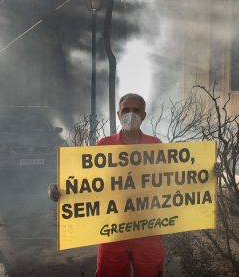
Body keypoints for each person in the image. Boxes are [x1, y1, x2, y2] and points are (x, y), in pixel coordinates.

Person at [49, 93, 164, 277]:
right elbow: (86, 182)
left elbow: (175, 180)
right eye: (126, 110)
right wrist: (61, 188)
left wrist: (207, 173)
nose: (130, 114)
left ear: (143, 115)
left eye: (136, 110)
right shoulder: (104, 145)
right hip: (112, 231)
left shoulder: (156, 145)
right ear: (118, 114)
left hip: (148, 231)